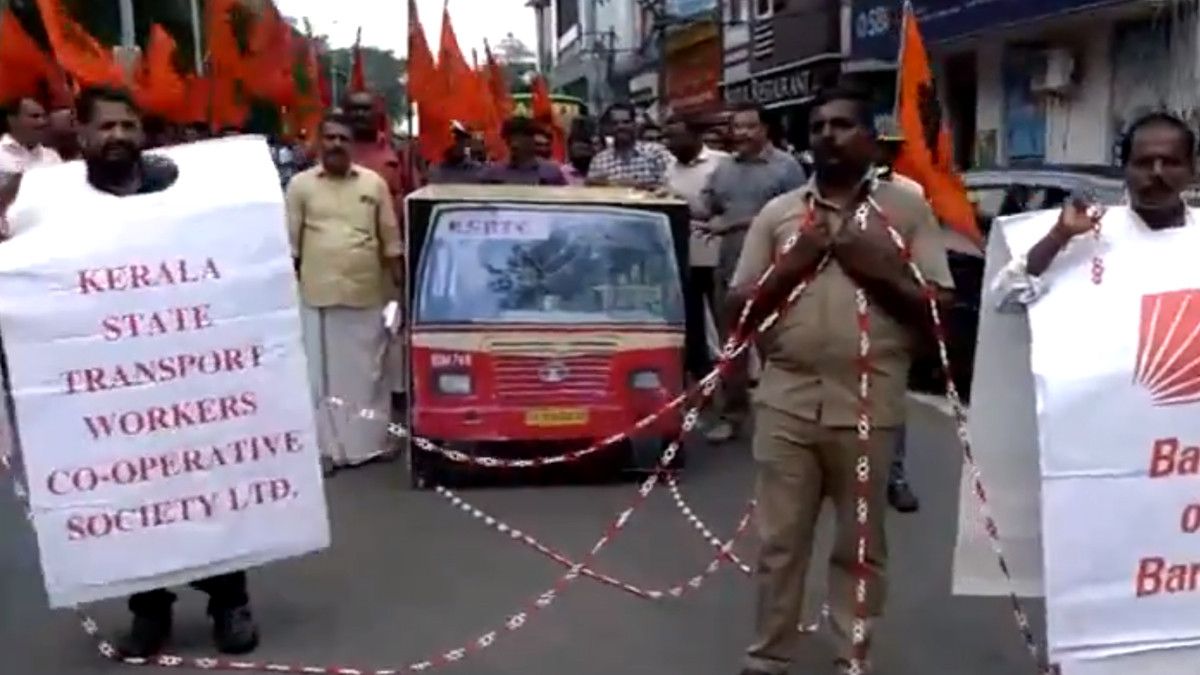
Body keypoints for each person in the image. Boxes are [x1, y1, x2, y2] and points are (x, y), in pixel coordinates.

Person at [0, 86, 260, 658]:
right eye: (107, 127)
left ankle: (229, 602)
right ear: (84, 136)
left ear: (142, 132)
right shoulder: (47, 206)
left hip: (188, 374)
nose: (119, 136)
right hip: (107, 382)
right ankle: (148, 609)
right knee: (128, 496)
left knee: (207, 482)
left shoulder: (182, 189)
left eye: (128, 125)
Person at [730, 87, 954, 675]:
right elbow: (737, 313)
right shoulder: (780, 215)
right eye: (818, 126)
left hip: (868, 404)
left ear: (871, 139)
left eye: (843, 124)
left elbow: (940, 314)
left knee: (859, 546)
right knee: (781, 544)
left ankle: (852, 656)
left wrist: (873, 262)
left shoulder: (906, 212)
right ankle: (769, 655)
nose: (828, 135)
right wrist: (794, 262)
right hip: (786, 401)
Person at [286, 113, 403, 472]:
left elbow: (390, 238)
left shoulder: (374, 183)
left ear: (353, 145)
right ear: (319, 143)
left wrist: (399, 289)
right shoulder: (300, 185)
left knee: (371, 371)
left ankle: (372, 442)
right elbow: (290, 244)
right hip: (318, 294)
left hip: (368, 290)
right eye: (330, 138)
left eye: (343, 139)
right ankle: (328, 451)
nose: (336, 144)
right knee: (322, 378)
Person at [994, 111, 1195, 308]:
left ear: (1192, 169)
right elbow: (1006, 293)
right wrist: (1058, 237)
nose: (1157, 173)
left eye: (1170, 163)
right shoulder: (1085, 234)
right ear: (1125, 168)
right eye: (1144, 163)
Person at [702, 102, 806, 443]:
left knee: (777, 348)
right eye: (737, 126)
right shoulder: (723, 169)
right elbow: (711, 207)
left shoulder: (786, 168)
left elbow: (800, 215)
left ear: (765, 130)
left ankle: (787, 417)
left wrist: (739, 222)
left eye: (749, 126)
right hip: (730, 270)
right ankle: (732, 416)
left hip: (774, 272)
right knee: (732, 348)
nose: (742, 133)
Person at [874, 121, 924, 514]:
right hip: (842, 306)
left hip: (892, 303)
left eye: (891, 148)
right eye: (879, 146)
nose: (884, 154)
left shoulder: (910, 194)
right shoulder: (837, 191)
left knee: (889, 398)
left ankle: (895, 475)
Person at [664, 114, 727, 383]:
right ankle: (700, 366)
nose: (671, 143)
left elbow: (726, 206)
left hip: (715, 245)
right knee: (692, 310)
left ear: (694, 136)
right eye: (668, 137)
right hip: (683, 248)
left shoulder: (720, 164)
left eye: (676, 136)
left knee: (719, 307)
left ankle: (730, 363)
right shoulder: (670, 168)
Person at [344, 91, 409, 225]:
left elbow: (407, 195)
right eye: (354, 109)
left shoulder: (399, 151)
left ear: (377, 114)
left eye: (366, 109)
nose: (360, 114)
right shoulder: (332, 151)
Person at [587, 102, 672, 188]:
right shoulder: (599, 161)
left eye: (626, 122)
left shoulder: (656, 153)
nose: (621, 126)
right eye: (615, 123)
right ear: (609, 127)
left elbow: (675, 184)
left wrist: (640, 186)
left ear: (634, 124)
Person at [477, 117, 568, 185]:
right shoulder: (492, 173)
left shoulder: (550, 172)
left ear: (532, 140)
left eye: (520, 137)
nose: (514, 143)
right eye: (510, 138)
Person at [0, 97, 62, 175]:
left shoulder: (51, 155)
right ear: (12, 120)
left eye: (44, 116)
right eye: (35, 116)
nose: (42, 122)